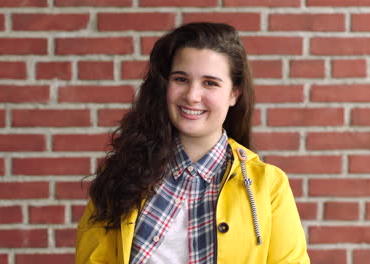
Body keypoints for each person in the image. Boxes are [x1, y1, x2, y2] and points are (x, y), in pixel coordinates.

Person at [75, 22, 310, 264]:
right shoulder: (122, 173)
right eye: (181, 79)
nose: (192, 95)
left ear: (234, 93)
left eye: (210, 83)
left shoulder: (268, 186)